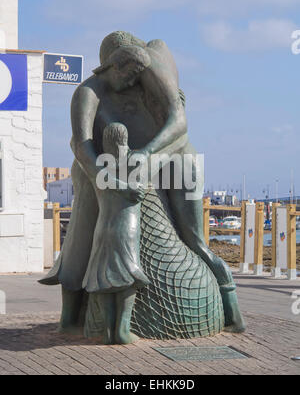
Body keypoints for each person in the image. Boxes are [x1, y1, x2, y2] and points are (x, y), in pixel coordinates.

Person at [40, 31, 245, 334]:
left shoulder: (150, 68)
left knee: (196, 241)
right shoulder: (88, 92)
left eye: (139, 73)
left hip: (173, 157)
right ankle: (71, 317)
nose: (134, 81)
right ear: (112, 65)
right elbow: (81, 145)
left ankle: (231, 311)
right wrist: (105, 178)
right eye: (129, 74)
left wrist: (148, 153)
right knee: (81, 236)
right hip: (105, 168)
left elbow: (179, 122)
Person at [83, 122, 149, 344]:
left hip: (103, 227)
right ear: (125, 139)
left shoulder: (99, 167)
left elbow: (76, 143)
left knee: (104, 276)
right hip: (126, 227)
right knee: (128, 275)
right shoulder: (135, 162)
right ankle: (122, 329)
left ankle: (108, 332)